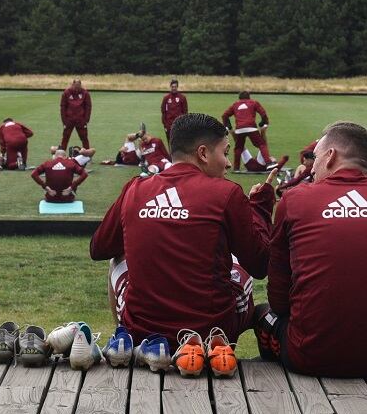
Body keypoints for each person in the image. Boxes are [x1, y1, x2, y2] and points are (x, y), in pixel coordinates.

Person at [256, 121, 367, 378]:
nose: (312, 166)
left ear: (330, 156)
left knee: (262, 313)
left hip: (307, 357)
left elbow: (278, 299)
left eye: (315, 157)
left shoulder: (294, 199)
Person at [90, 113, 276, 348]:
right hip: (210, 331)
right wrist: (259, 207)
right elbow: (260, 264)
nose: (229, 163)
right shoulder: (227, 193)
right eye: (225, 153)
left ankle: (125, 339)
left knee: (117, 258)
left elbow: (99, 248)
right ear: (203, 153)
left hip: (143, 331)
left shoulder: (135, 188)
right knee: (239, 265)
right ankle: (216, 348)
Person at [222, 91, 272, 172]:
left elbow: (224, 115)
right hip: (251, 127)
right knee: (262, 145)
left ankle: (236, 168)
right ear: (249, 97)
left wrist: (228, 125)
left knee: (238, 148)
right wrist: (264, 122)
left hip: (239, 129)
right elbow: (263, 113)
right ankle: (269, 163)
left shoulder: (235, 104)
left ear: (239, 98)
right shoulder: (254, 102)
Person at [60, 79, 92, 150]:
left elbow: (88, 107)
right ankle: (61, 156)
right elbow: (63, 107)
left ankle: (87, 156)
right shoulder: (66, 93)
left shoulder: (85, 93)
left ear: (81, 85)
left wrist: (86, 119)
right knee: (65, 138)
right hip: (69, 120)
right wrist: (64, 120)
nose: (77, 88)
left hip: (81, 120)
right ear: (72, 85)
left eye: (78, 86)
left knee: (84, 138)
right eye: (75, 86)